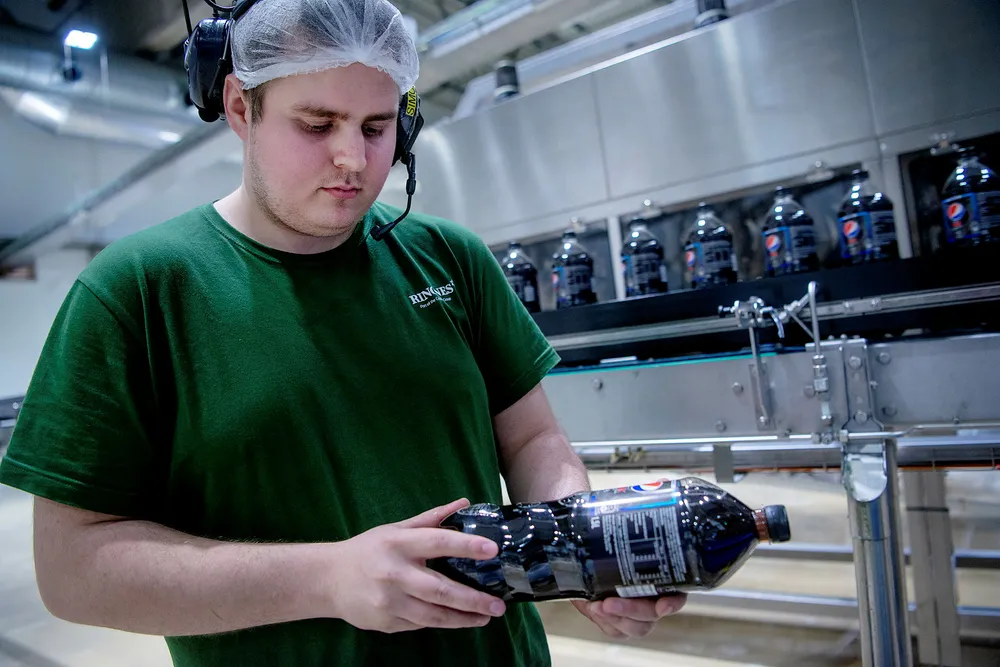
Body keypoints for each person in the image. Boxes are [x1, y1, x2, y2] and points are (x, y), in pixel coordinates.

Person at [0, 0, 685, 665]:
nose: (352, 158)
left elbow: (533, 438)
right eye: (317, 124)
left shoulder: (450, 258)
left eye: (377, 126)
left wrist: (584, 546)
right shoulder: (137, 291)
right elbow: (72, 568)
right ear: (240, 108)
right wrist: (327, 578)